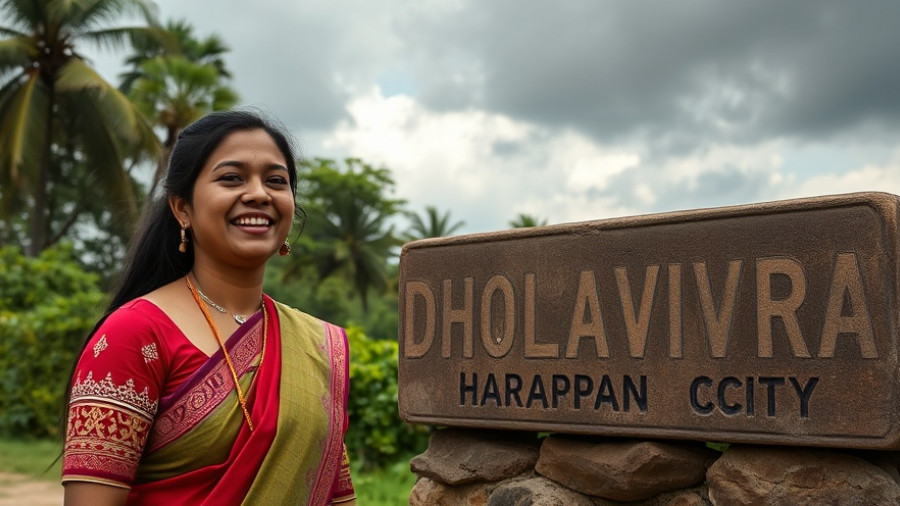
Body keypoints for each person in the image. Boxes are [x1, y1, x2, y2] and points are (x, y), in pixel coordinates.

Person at [61, 110, 357, 505]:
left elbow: (336, 495)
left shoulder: (316, 345)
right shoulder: (133, 334)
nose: (259, 194)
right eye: (232, 178)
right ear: (182, 208)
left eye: (276, 180)